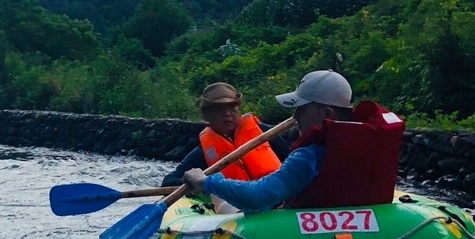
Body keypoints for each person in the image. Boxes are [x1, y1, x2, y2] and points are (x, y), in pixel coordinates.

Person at [182, 70, 404, 214]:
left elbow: (258, 196)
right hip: (376, 234)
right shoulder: (370, 141)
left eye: (302, 109)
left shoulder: (308, 156)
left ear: (327, 115)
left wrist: (208, 183)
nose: (295, 117)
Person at [161, 82, 289, 190]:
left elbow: (292, 161)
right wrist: (195, 183)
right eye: (218, 109)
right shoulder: (204, 152)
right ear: (206, 116)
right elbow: (169, 181)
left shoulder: (264, 133)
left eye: (232, 107)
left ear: (239, 109)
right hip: (239, 208)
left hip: (278, 197)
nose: (227, 113)